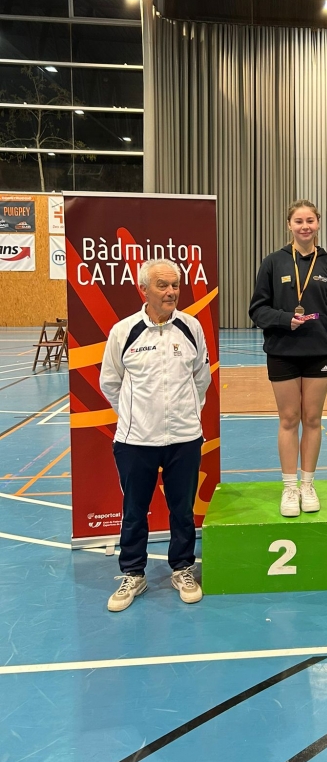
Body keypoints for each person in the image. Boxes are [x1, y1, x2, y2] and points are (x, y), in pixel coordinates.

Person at [100, 259, 210, 612]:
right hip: (135, 442)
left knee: (182, 510)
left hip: (184, 439)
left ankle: (182, 569)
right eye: (162, 285)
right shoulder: (124, 331)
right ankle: (133, 573)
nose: (171, 292)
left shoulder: (192, 328)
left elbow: (201, 379)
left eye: (175, 285)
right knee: (134, 511)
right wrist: (135, 417)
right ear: (143, 289)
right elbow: (110, 382)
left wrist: (186, 415)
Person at [249, 200, 327, 517]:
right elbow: (257, 310)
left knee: (313, 419)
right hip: (283, 351)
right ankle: (290, 487)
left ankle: (308, 484)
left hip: (318, 351)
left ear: (318, 223)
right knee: (289, 419)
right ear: (289, 225)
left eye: (310, 221)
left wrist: (319, 327)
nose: (305, 226)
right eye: (298, 221)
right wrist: (283, 320)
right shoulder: (273, 262)